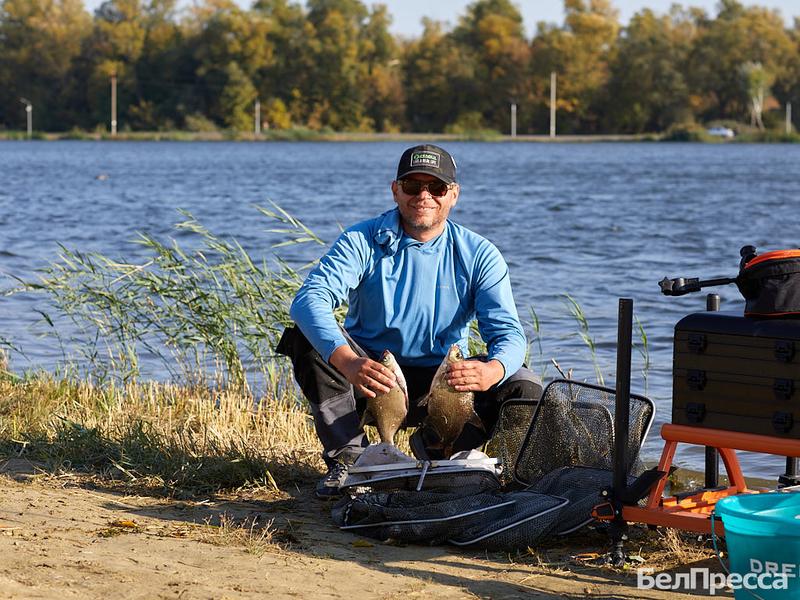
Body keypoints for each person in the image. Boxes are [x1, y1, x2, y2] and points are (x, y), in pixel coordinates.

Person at [276, 144, 542, 498]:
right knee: (306, 338)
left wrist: (493, 370)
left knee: (523, 383)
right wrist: (349, 362)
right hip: (373, 377)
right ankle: (351, 459)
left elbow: (509, 334)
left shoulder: (479, 253)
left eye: (436, 188)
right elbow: (309, 300)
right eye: (413, 186)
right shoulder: (361, 239)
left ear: (454, 195)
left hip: (444, 384)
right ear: (395, 190)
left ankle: (441, 449)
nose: (424, 196)